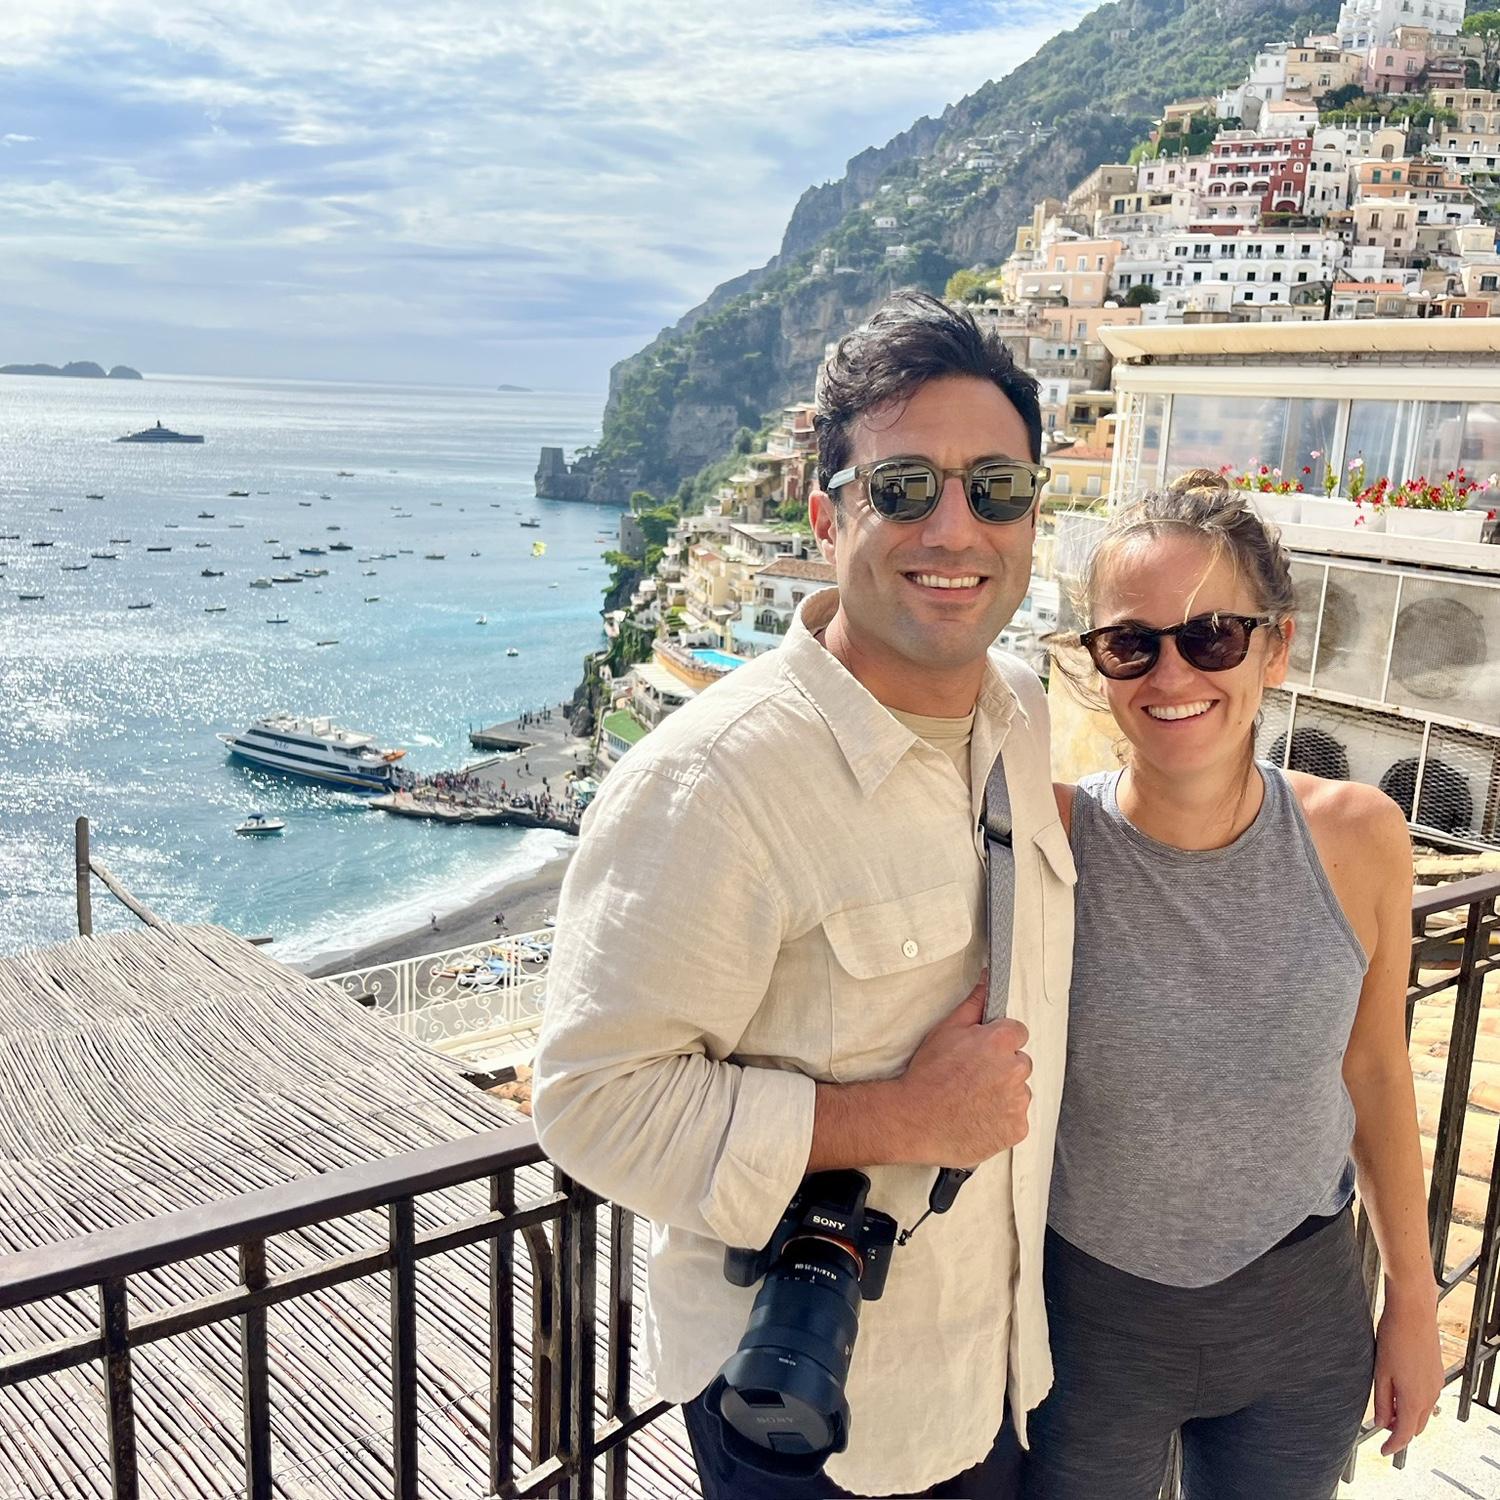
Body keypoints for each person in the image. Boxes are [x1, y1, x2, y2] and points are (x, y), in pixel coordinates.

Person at [533, 291, 1075, 1499]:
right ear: (827, 513)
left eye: (996, 489)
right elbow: (591, 1104)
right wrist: (901, 1120)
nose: (956, 527)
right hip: (807, 1414)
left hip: (993, 1367)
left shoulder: (1021, 718)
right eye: (904, 488)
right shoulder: (714, 781)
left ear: (1033, 515)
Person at [1024, 473, 1443, 1499]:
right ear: (1098, 664)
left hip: (1302, 1320)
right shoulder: (1050, 843)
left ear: (1276, 646)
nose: (1173, 672)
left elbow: (1376, 1073)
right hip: (1091, 1331)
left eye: (1212, 635)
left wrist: (1414, 1303)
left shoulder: (1358, 838)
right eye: (1132, 642)